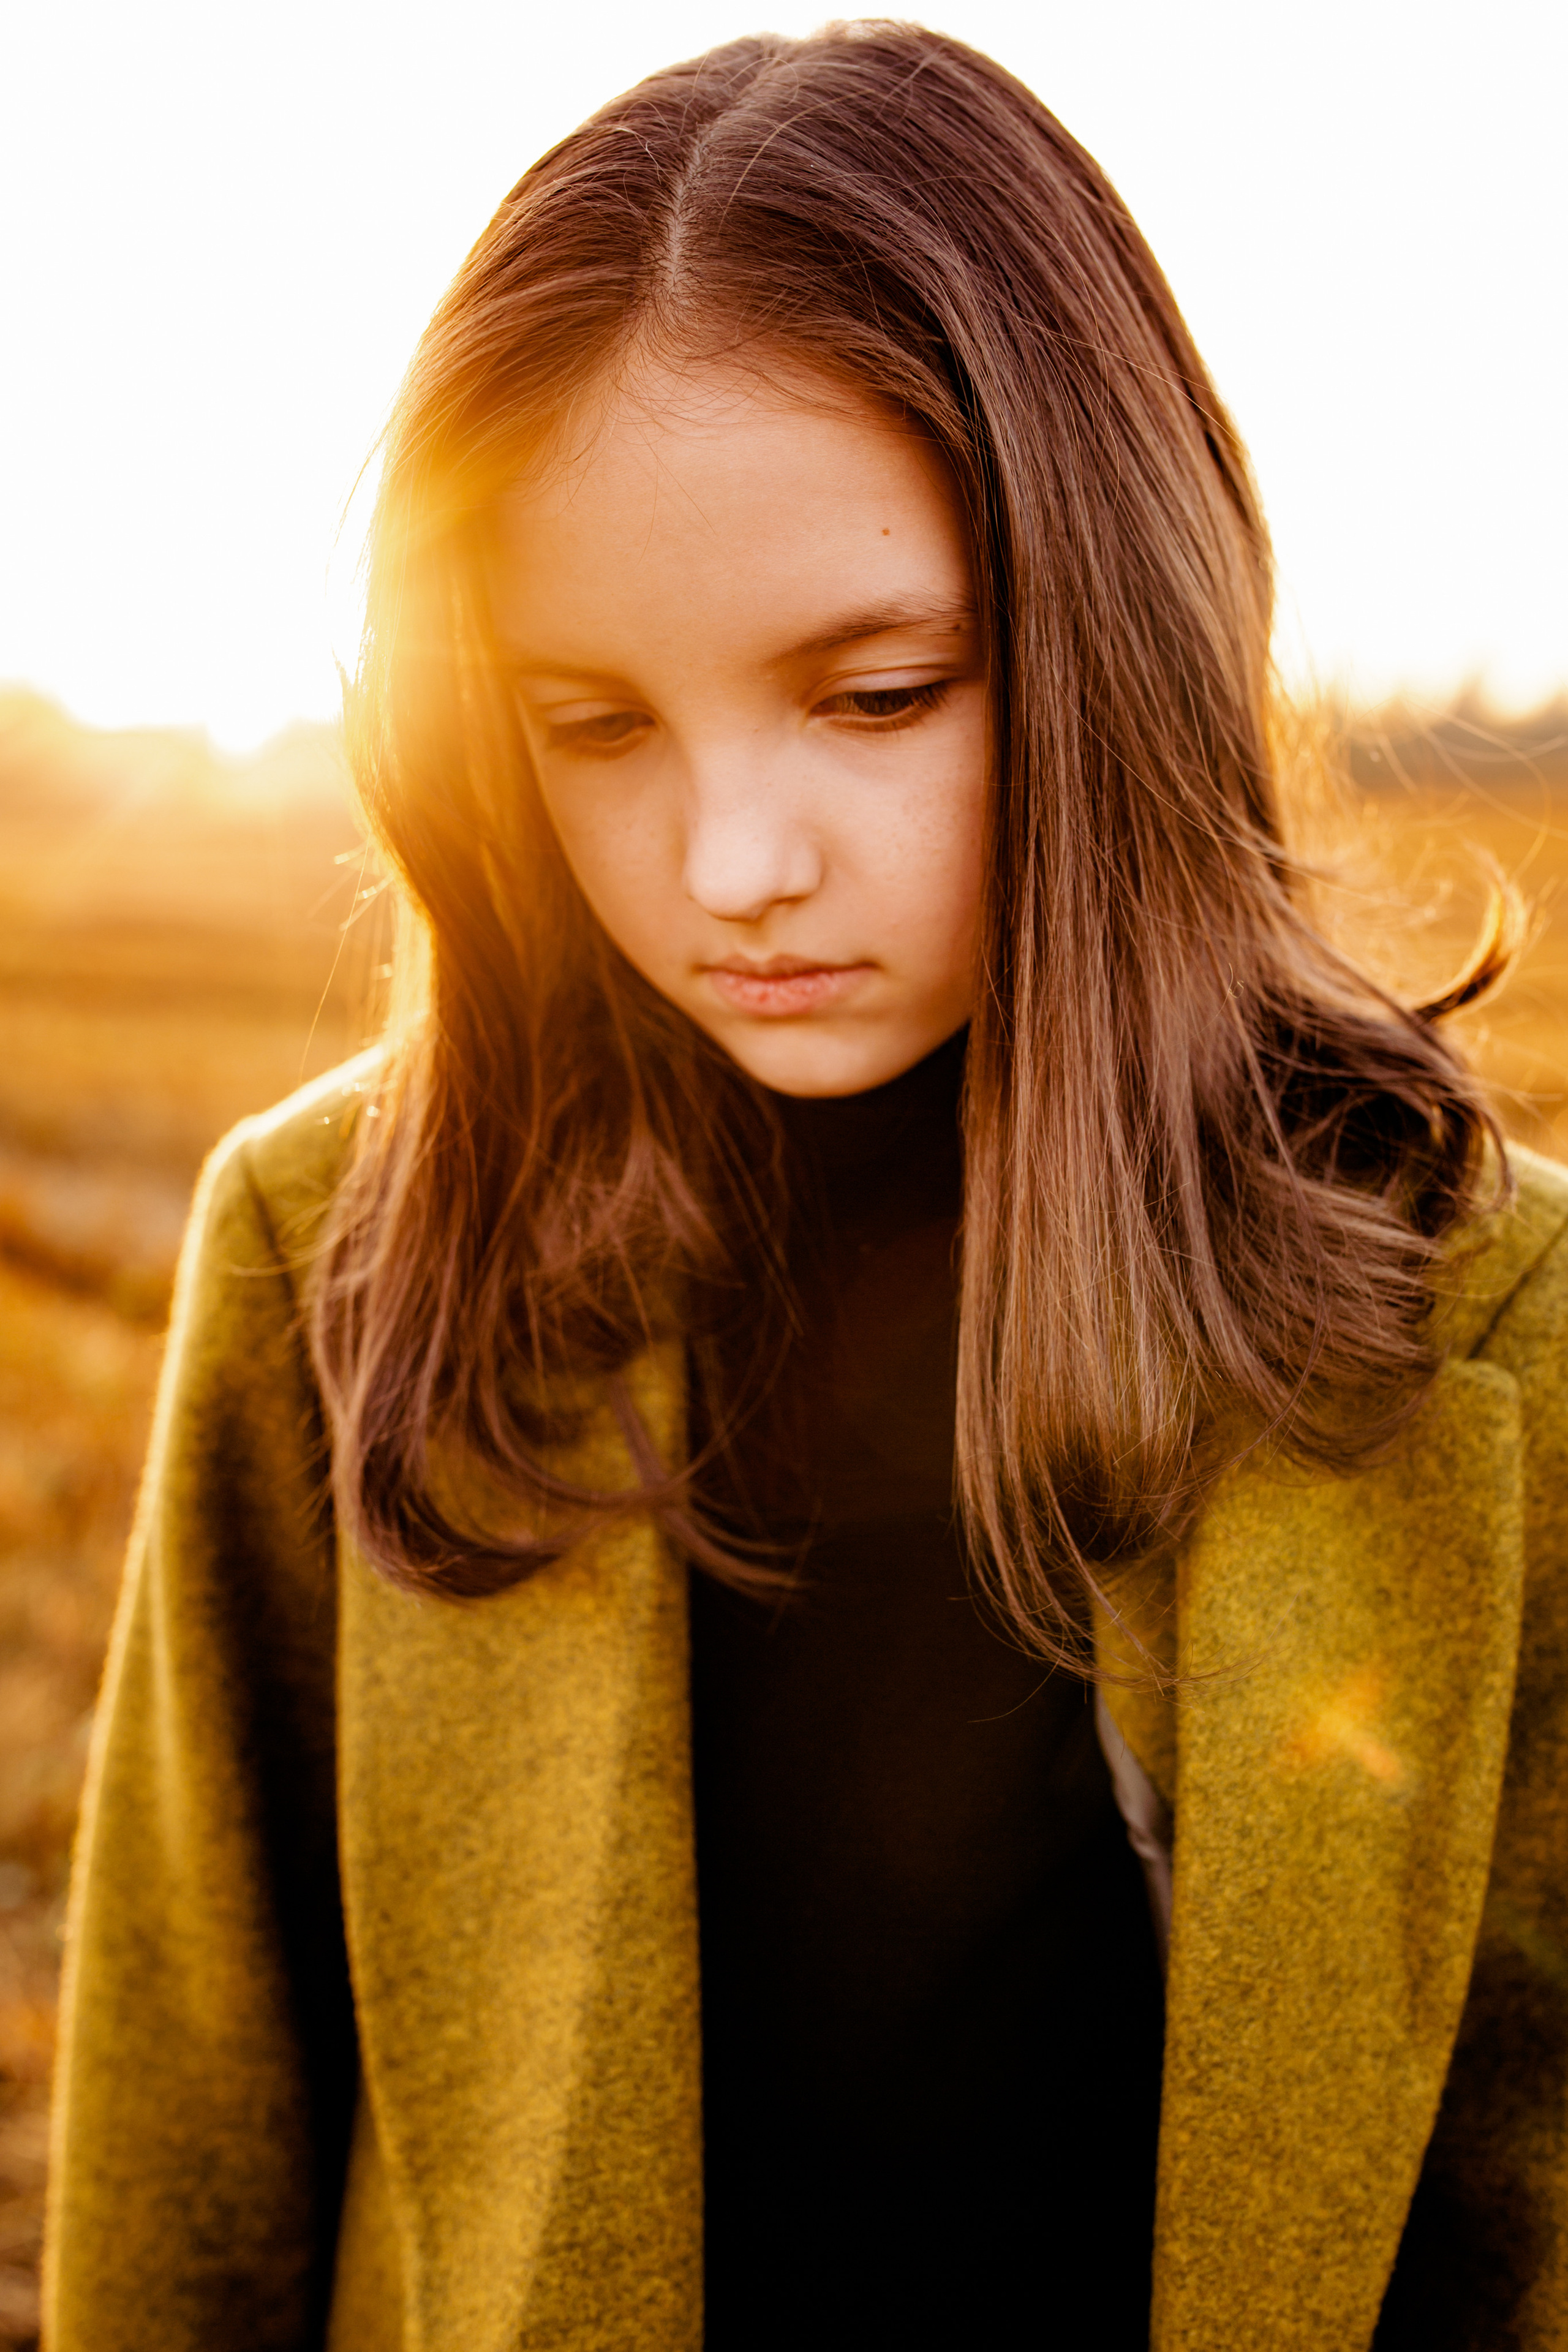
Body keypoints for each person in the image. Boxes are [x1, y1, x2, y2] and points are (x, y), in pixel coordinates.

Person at [42, 23, 1567, 2351]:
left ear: (1119, 633)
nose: (735, 867)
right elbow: (186, 2207)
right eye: (598, 725)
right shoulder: (337, 1263)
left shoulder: (1503, 1323)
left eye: (876, 697)